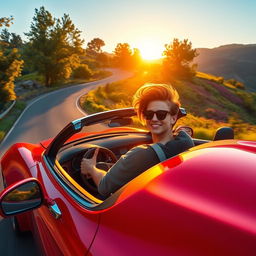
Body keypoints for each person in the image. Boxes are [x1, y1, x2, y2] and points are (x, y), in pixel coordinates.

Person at [81, 83, 194, 197]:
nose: (154, 119)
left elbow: (104, 187)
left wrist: (91, 168)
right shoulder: (186, 142)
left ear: (173, 118)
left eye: (161, 114)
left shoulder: (140, 154)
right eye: (149, 114)